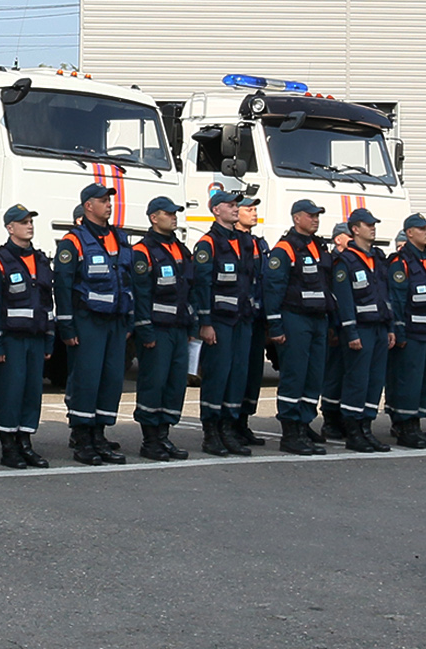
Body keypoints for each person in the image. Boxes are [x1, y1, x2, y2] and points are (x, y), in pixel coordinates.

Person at [55, 181, 146, 465]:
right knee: (87, 378)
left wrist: (129, 318)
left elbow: (128, 280)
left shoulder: (119, 238)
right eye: (103, 200)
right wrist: (67, 326)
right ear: (88, 206)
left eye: (109, 200)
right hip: (88, 321)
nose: (109, 204)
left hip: (116, 322)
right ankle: (82, 437)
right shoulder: (74, 242)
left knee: (110, 380)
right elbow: (63, 286)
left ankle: (99, 433)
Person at [192, 186, 268, 450]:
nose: (236, 208)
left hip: (243, 320)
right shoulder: (207, 244)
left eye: (237, 204)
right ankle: (211, 432)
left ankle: (229, 428)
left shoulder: (246, 242)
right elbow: (201, 286)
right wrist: (205, 323)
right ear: (216, 210)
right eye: (230, 204)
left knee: (238, 375)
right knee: (217, 375)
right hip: (220, 322)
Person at [127, 195, 197, 462]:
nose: (174, 216)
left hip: (179, 329)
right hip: (157, 330)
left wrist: (193, 323)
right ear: (154, 218)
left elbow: (191, 289)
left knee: (175, 384)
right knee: (153, 383)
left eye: (175, 213)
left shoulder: (180, 249)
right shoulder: (143, 252)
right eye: (168, 213)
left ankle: (164, 436)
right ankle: (150, 440)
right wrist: (144, 330)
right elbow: (140, 294)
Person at [259, 198, 332, 457]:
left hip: (318, 320)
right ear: (296, 218)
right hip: (295, 319)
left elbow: (327, 286)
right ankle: (290, 431)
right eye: (310, 215)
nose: (315, 219)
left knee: (314, 376)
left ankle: (304, 423)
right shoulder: (285, 249)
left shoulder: (319, 246)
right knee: (295, 375)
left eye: (317, 215)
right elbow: (273, 289)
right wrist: (275, 325)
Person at [0, 203, 55, 468]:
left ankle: (25, 442)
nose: (29, 226)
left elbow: (47, 304)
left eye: (30, 221)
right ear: (10, 228)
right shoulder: (0, 260)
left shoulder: (39, 259)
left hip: (36, 338)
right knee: (11, 391)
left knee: (31, 392)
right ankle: (8, 446)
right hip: (12, 339)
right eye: (23, 222)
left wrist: (49, 338)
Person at [327, 207, 394, 451]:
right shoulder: (346, 261)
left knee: (375, 380)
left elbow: (385, 295)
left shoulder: (377, 258)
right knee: (357, 379)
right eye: (368, 224)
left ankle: (367, 427)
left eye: (374, 224)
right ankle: (353, 430)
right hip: (360, 331)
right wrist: (351, 333)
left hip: (378, 328)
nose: (373, 227)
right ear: (355, 230)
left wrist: (390, 327)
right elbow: (344, 302)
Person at [384, 214, 426, 448]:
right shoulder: (401, 262)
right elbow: (397, 300)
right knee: (406, 380)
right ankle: (404, 426)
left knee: (423, 382)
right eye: (421, 229)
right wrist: (398, 331)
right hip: (410, 332)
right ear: (409, 233)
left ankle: (415, 424)